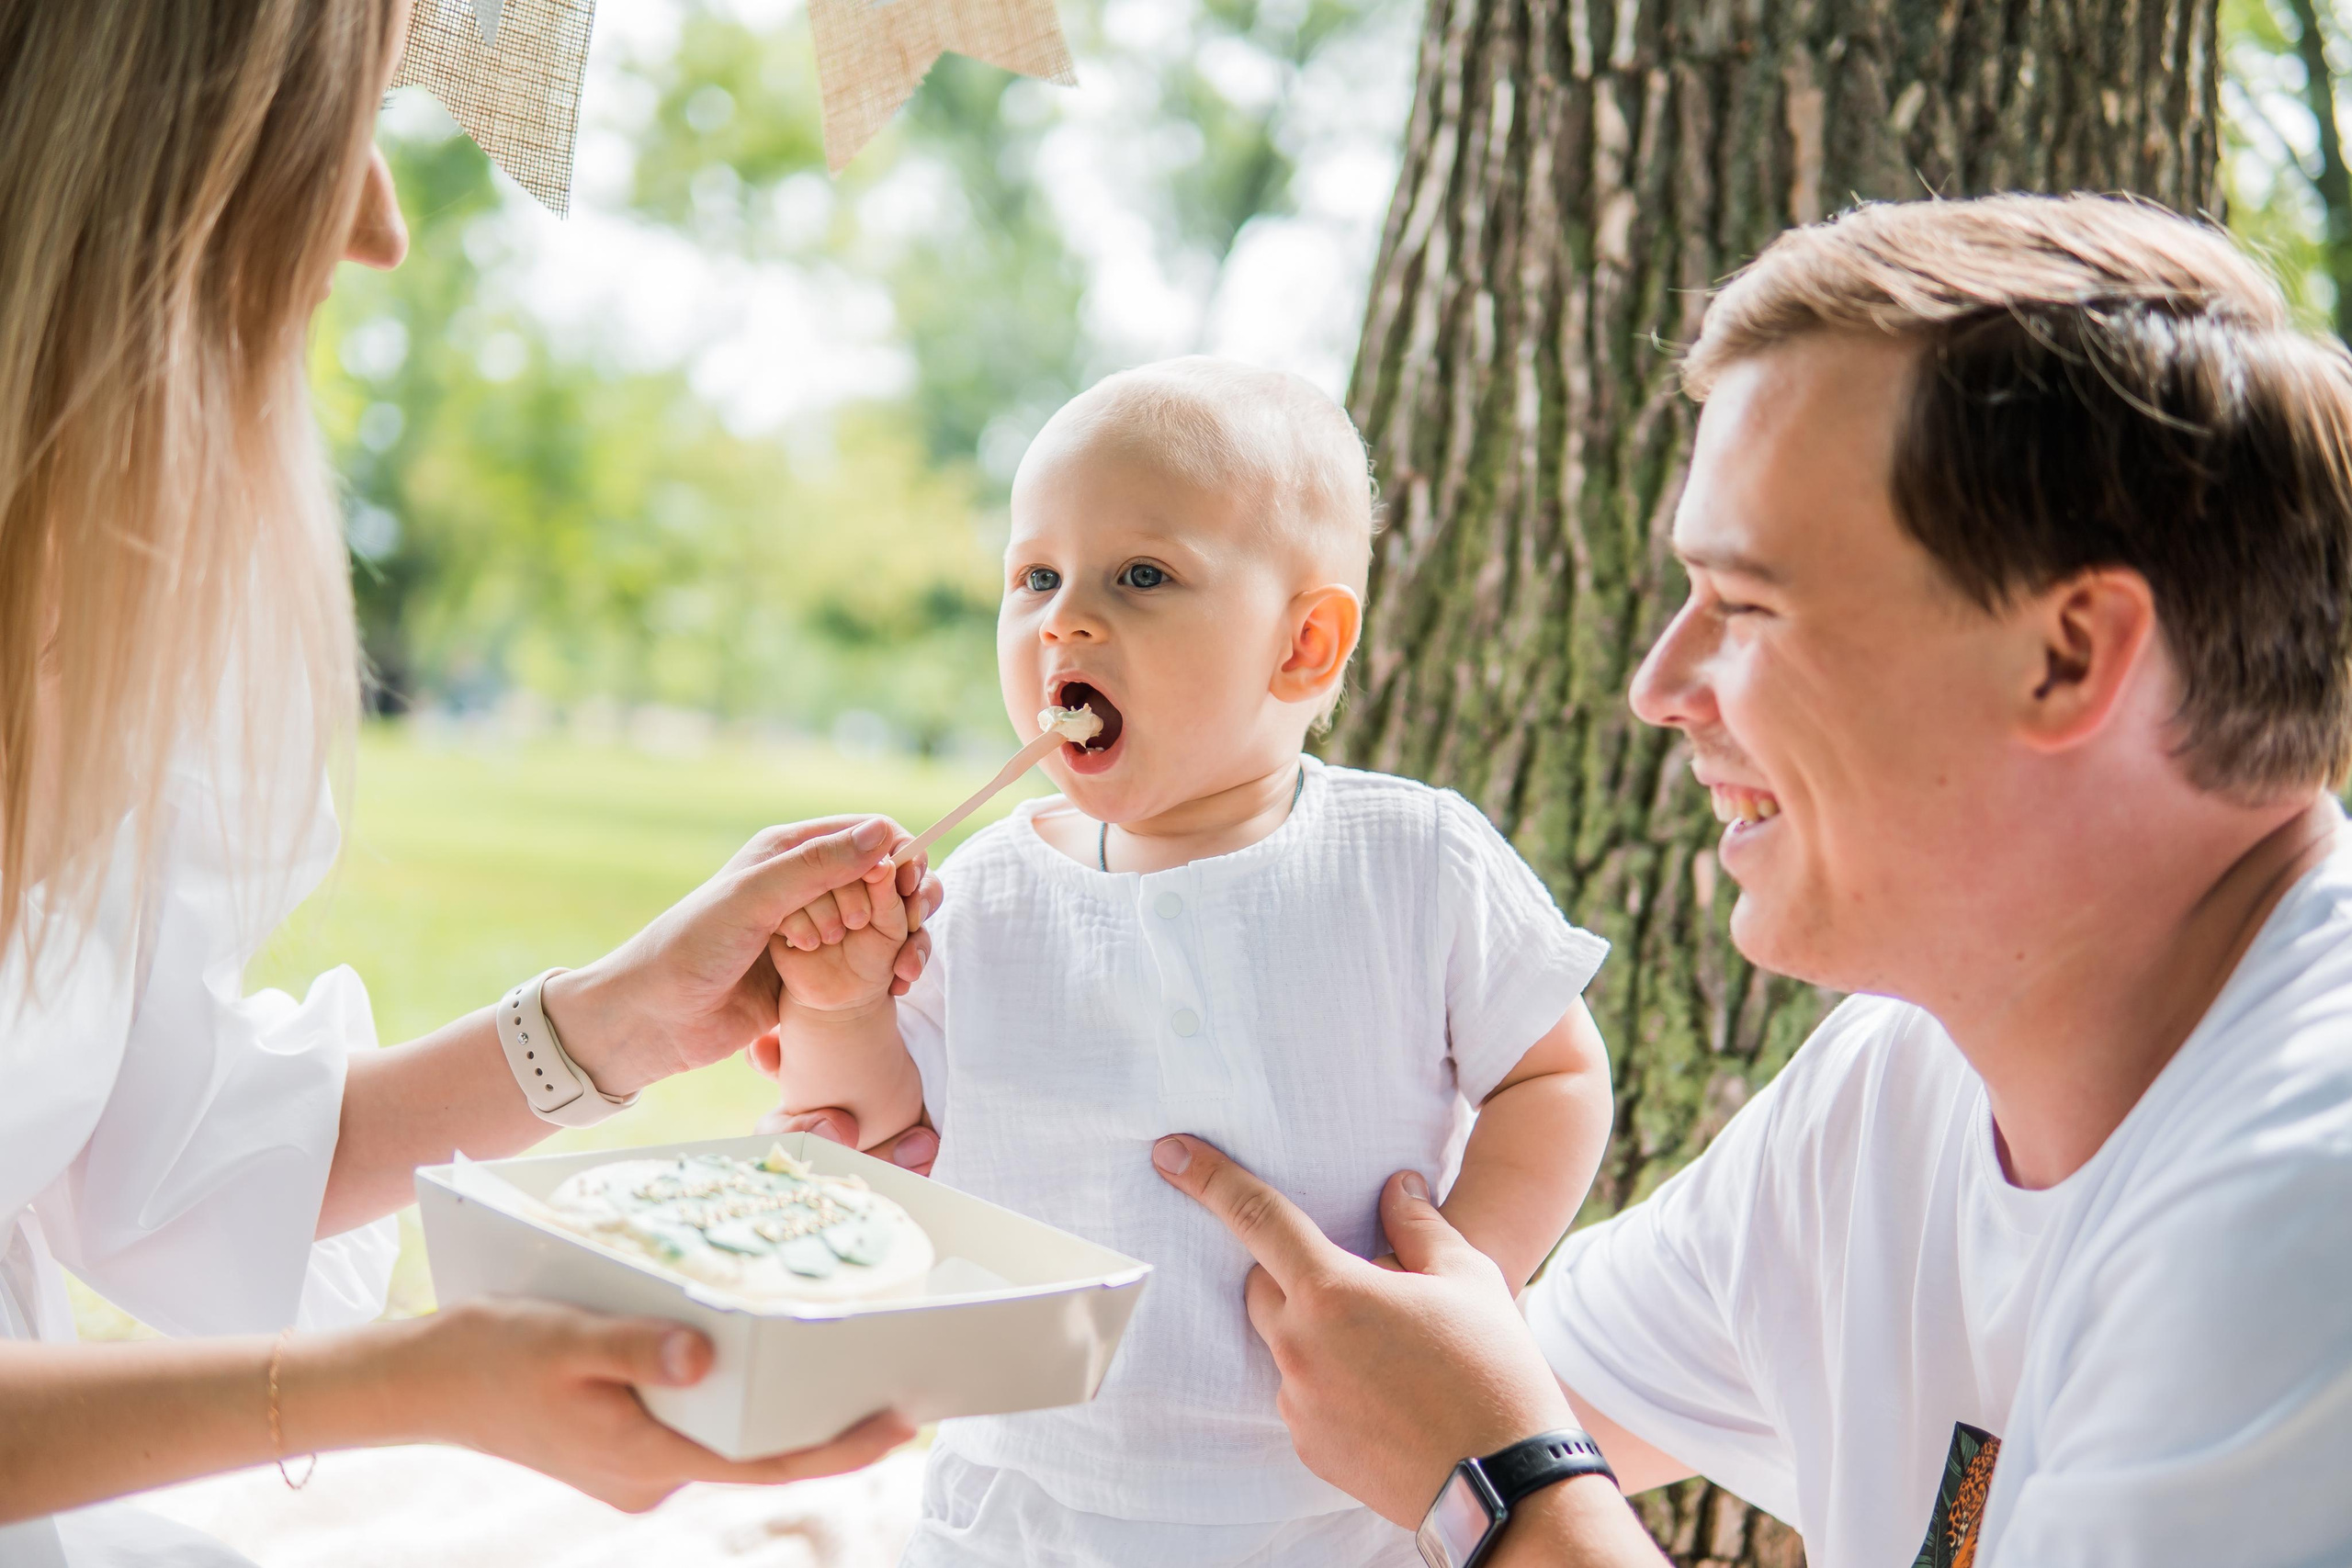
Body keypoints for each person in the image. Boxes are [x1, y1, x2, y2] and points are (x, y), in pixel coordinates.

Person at [1137, 194, 2352, 1567]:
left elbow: (1482, 1446)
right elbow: (1429, 1402)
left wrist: (1506, 1497)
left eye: (1748, 606)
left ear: (2068, 657)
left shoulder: (2303, 1226)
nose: (1659, 688)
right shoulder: (1894, 1091)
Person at [0, 3, 938, 1562]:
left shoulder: (64, 653)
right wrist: (392, 1387)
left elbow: (162, 1146)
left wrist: (614, 1022)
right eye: (332, 128)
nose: (375, 222)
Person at [753, 357, 1618, 1566]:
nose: (1065, 617)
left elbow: (1556, 1078)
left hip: (1335, 1507)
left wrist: (1460, 1288)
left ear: (1305, 647)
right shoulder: (980, 895)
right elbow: (880, 1129)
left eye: (1142, 575)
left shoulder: (1412, 857)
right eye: (1035, 576)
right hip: (1026, 1503)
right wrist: (844, 997)